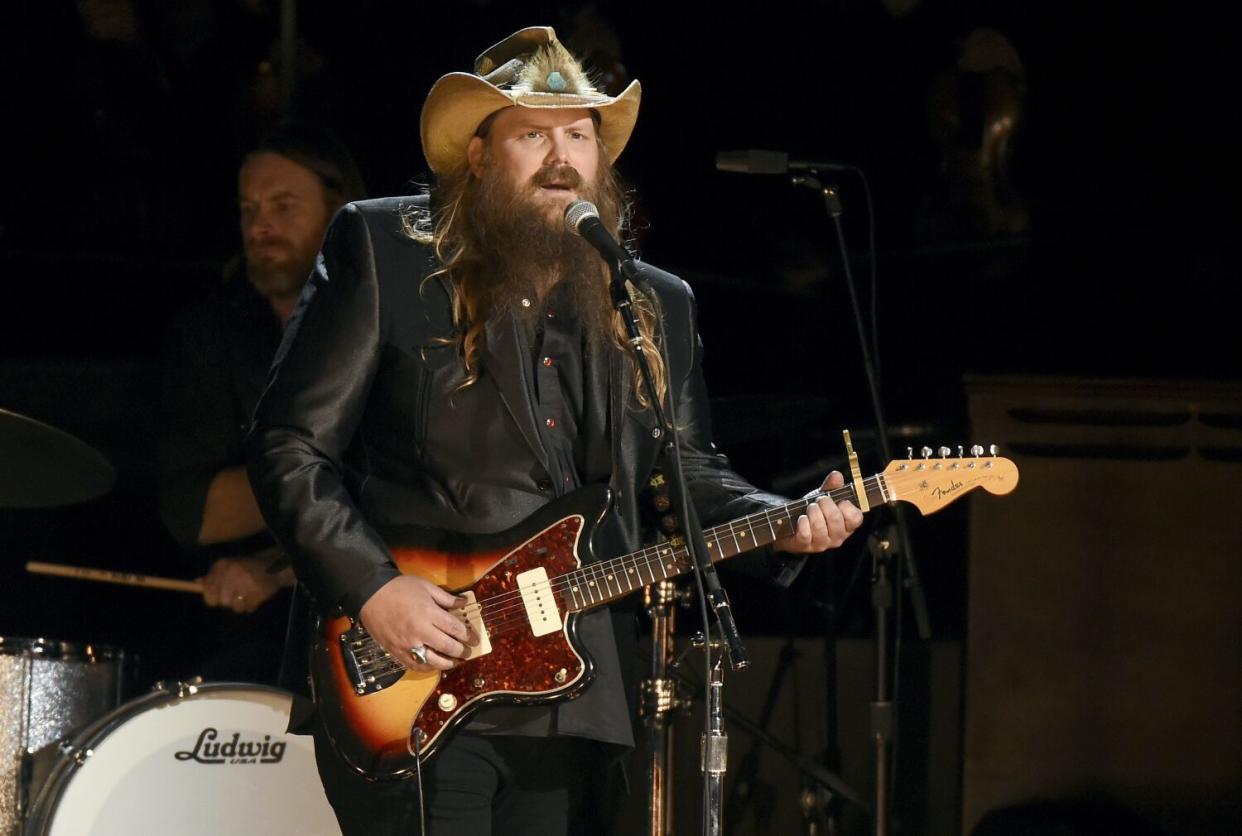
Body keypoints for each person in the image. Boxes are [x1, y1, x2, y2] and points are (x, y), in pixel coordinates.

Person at [246, 27, 863, 835]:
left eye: (579, 135)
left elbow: (683, 471)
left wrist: (781, 521)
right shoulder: (387, 248)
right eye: (533, 135)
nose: (561, 156)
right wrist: (373, 589)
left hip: (576, 687)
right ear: (478, 156)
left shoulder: (650, 302)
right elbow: (289, 443)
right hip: (415, 673)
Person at [159, 122, 365, 683]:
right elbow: (193, 510)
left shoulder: (389, 324)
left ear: (340, 214)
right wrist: (337, 474)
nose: (260, 225)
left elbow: (409, 498)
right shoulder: (210, 335)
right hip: (250, 637)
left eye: (283, 206)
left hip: (384, 619)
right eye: (249, 209)